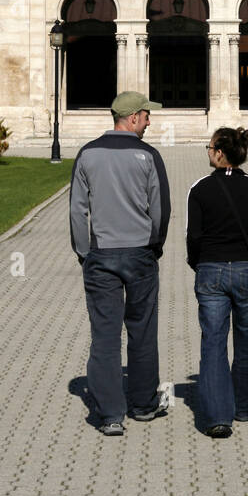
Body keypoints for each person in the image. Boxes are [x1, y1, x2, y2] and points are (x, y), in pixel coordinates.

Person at [69, 91, 171, 436]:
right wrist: (154, 245)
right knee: (142, 331)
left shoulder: (87, 153)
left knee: (105, 335)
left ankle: (111, 413)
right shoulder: (148, 155)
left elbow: (76, 209)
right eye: (146, 116)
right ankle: (143, 404)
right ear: (131, 118)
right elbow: (160, 208)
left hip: (101, 254)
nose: (149, 121)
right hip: (139, 252)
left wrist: (84, 251)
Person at [186, 127, 248, 439]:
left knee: (213, 343)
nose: (208, 152)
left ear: (220, 153)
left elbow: (193, 236)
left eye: (209, 147)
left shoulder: (198, 190)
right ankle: (247, 406)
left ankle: (217, 417)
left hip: (211, 270)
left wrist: (196, 262)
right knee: (247, 338)